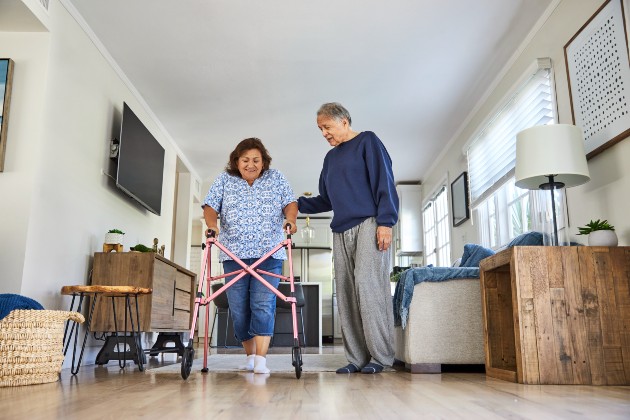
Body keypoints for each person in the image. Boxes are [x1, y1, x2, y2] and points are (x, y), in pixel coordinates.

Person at [298, 102, 398, 374]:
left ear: (343, 121)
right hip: (340, 229)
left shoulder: (368, 141)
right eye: (320, 129)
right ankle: (357, 358)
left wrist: (386, 222)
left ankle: (381, 357)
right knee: (345, 291)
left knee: (368, 286)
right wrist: (293, 205)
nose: (324, 134)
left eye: (327, 127)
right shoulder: (330, 159)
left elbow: (384, 182)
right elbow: (325, 200)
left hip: (370, 223)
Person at [202, 137, 298, 374]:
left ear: (263, 162)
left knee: (263, 304)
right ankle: (250, 355)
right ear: (237, 161)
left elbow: (290, 202)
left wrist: (291, 220)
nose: (251, 164)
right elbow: (210, 206)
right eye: (245, 160)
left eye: (256, 160)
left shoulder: (276, 178)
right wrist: (213, 226)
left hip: (270, 252)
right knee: (238, 307)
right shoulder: (225, 179)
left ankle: (261, 360)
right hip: (232, 253)